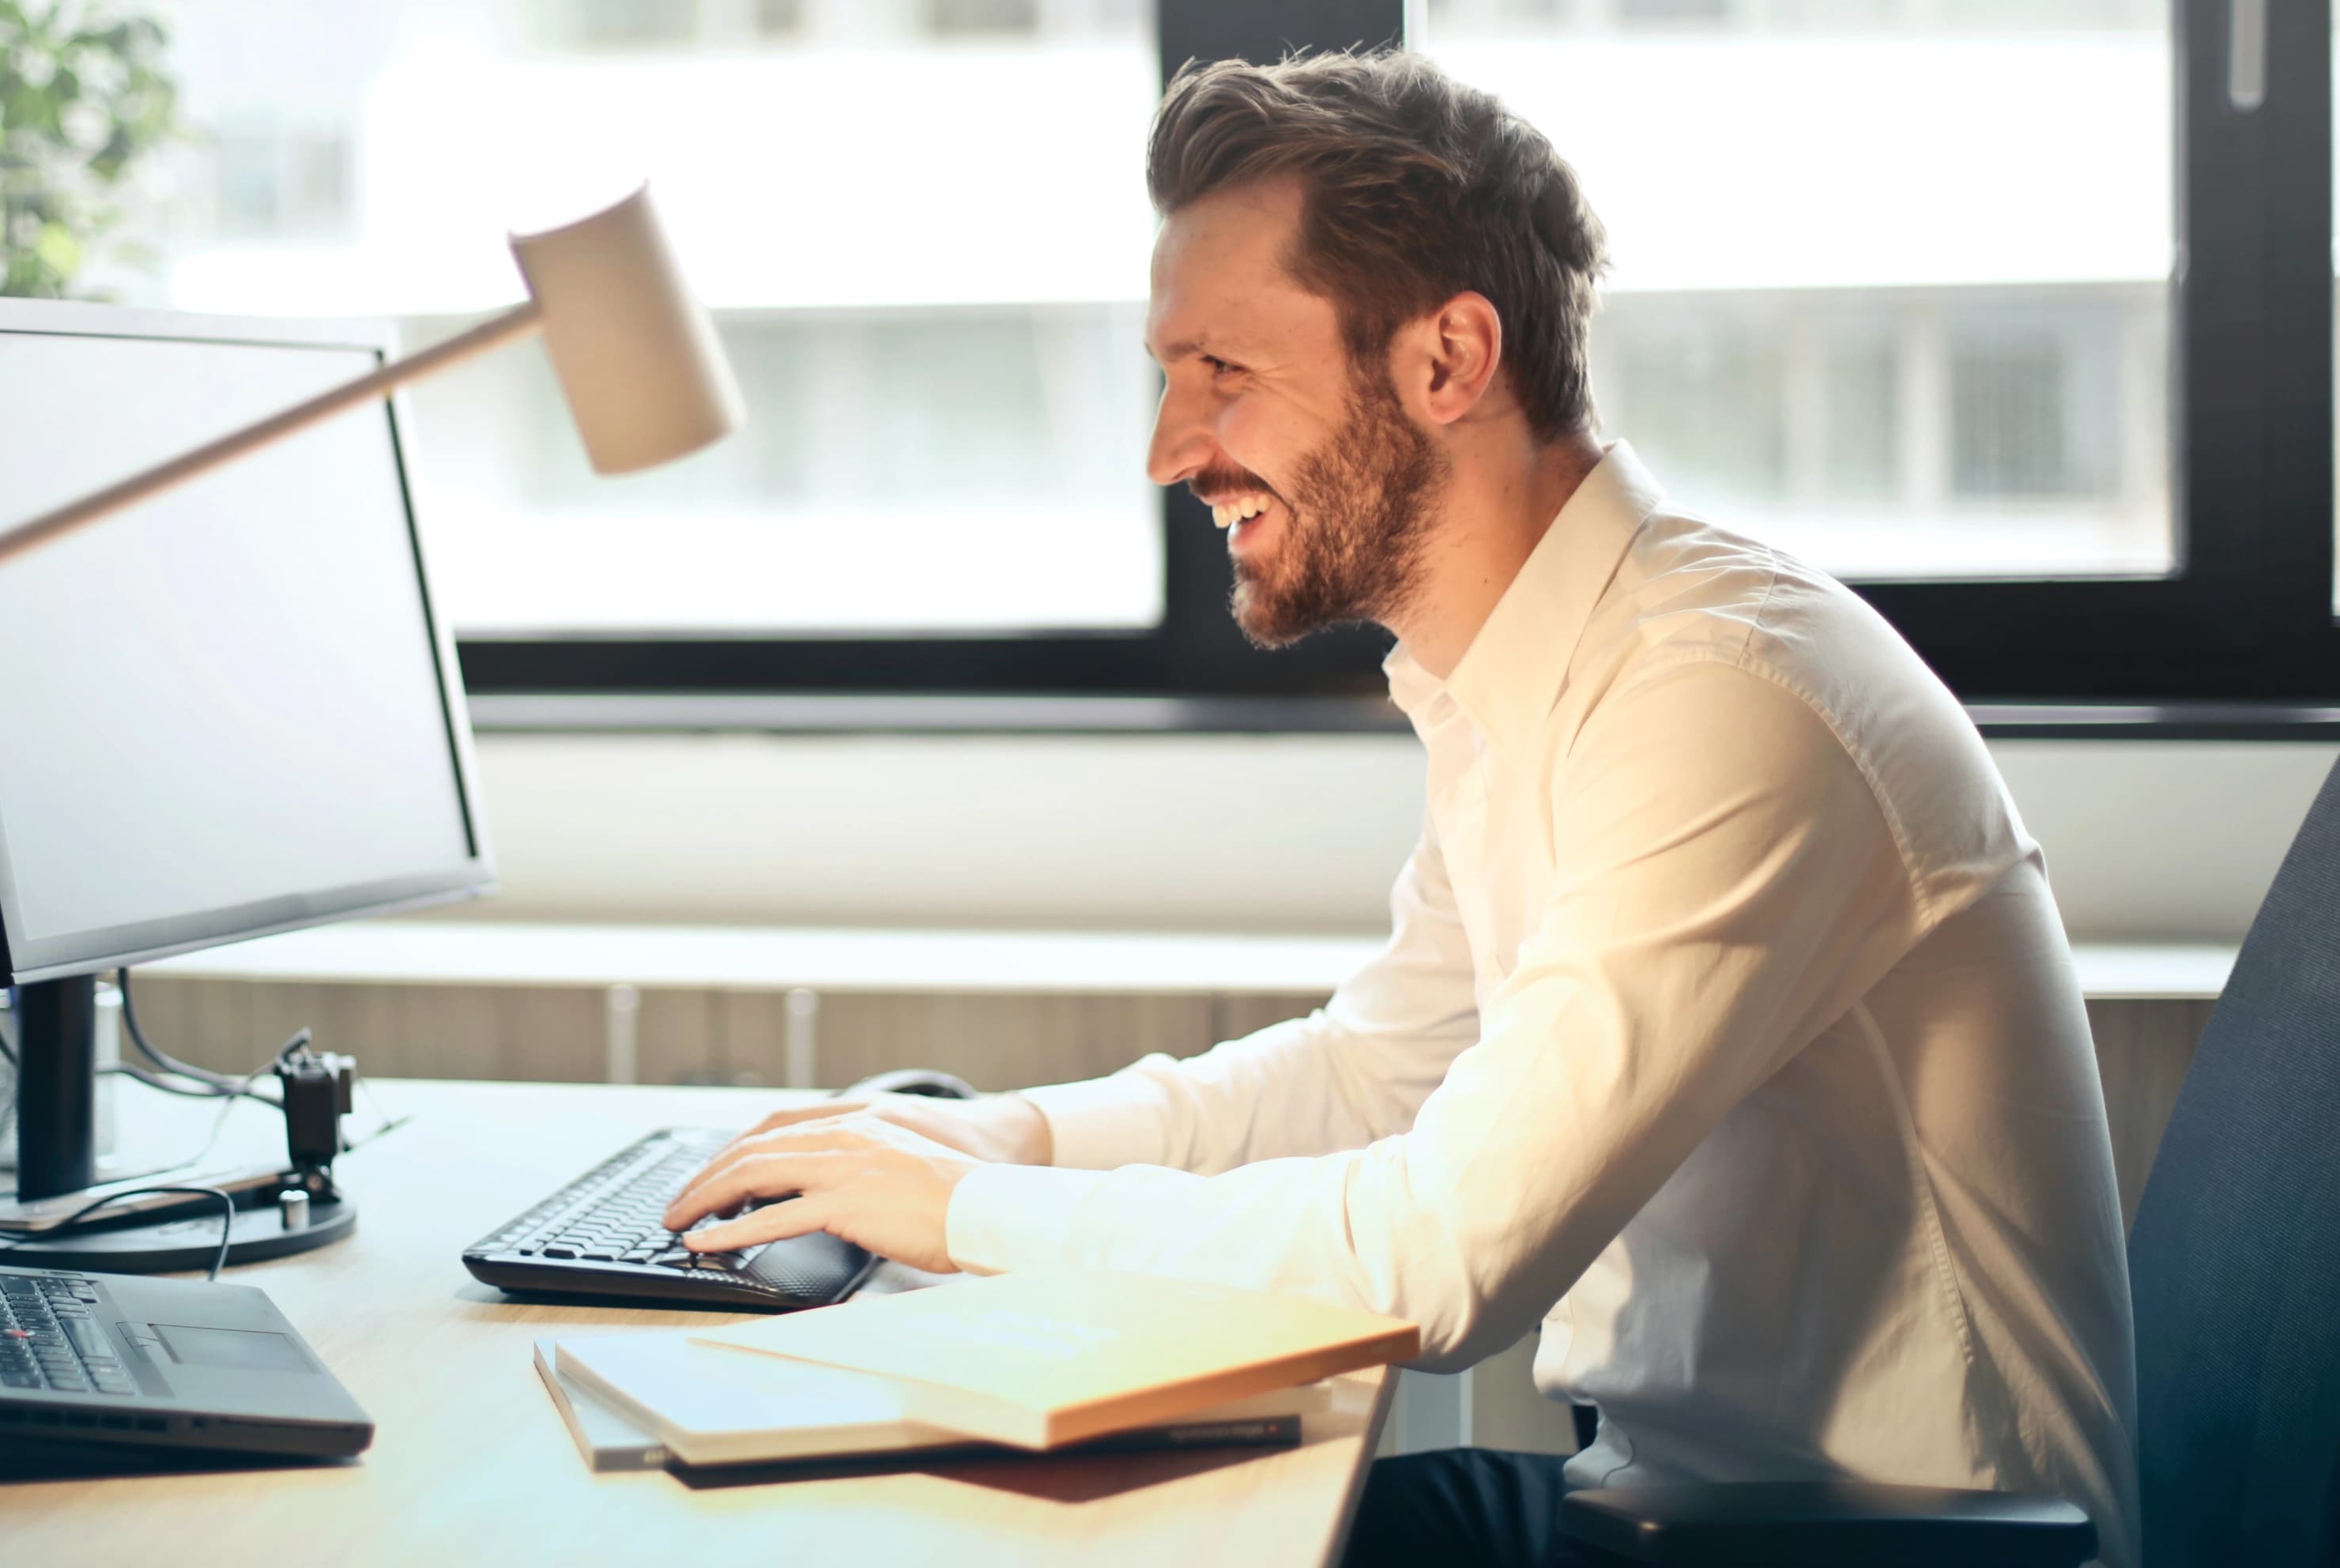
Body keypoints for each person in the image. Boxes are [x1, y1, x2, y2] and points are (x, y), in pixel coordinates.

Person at [659, 47, 2137, 1568]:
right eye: (1170, 378)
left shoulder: (1725, 702)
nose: (1171, 450)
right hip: (1659, 1507)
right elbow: (1382, 1077)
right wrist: (997, 1141)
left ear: (1449, 361)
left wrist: (960, 1212)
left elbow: (1441, 1259)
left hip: (1869, 1549)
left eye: (1224, 373)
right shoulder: (1530, 672)